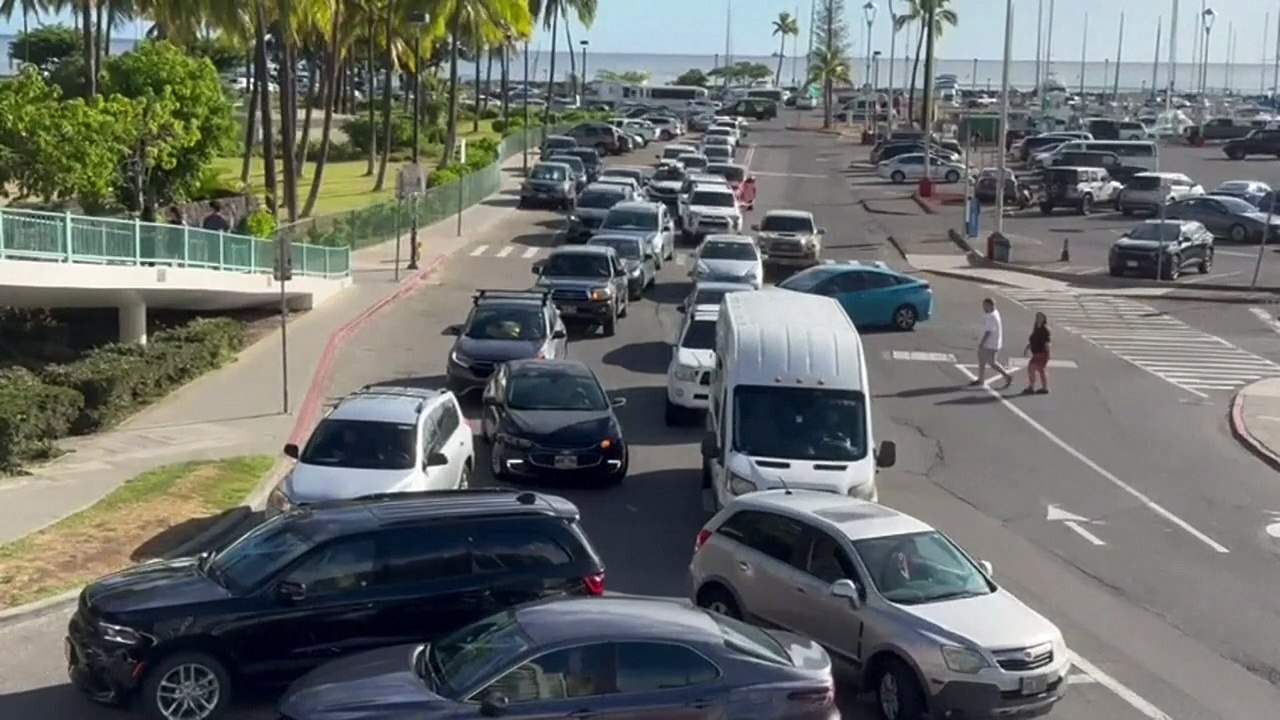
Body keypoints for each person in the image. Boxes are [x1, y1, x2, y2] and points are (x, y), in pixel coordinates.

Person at [969, 298, 1013, 389]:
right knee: (981, 360)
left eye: (985, 305)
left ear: (989, 305)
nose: (983, 307)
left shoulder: (992, 316)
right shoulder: (993, 314)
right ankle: (981, 379)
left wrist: (982, 343)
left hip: (991, 344)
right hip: (989, 343)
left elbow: (988, 332)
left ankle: (1007, 376)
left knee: (992, 362)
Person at [1023, 312, 1051, 395]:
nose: (1038, 318)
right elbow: (1033, 339)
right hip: (1036, 352)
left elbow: (1047, 343)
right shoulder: (1036, 328)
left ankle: (1031, 386)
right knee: (1040, 370)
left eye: (1040, 317)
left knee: (1031, 367)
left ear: (1044, 319)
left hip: (1042, 353)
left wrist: (1049, 353)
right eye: (1037, 317)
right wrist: (1028, 347)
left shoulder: (1045, 330)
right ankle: (1044, 387)